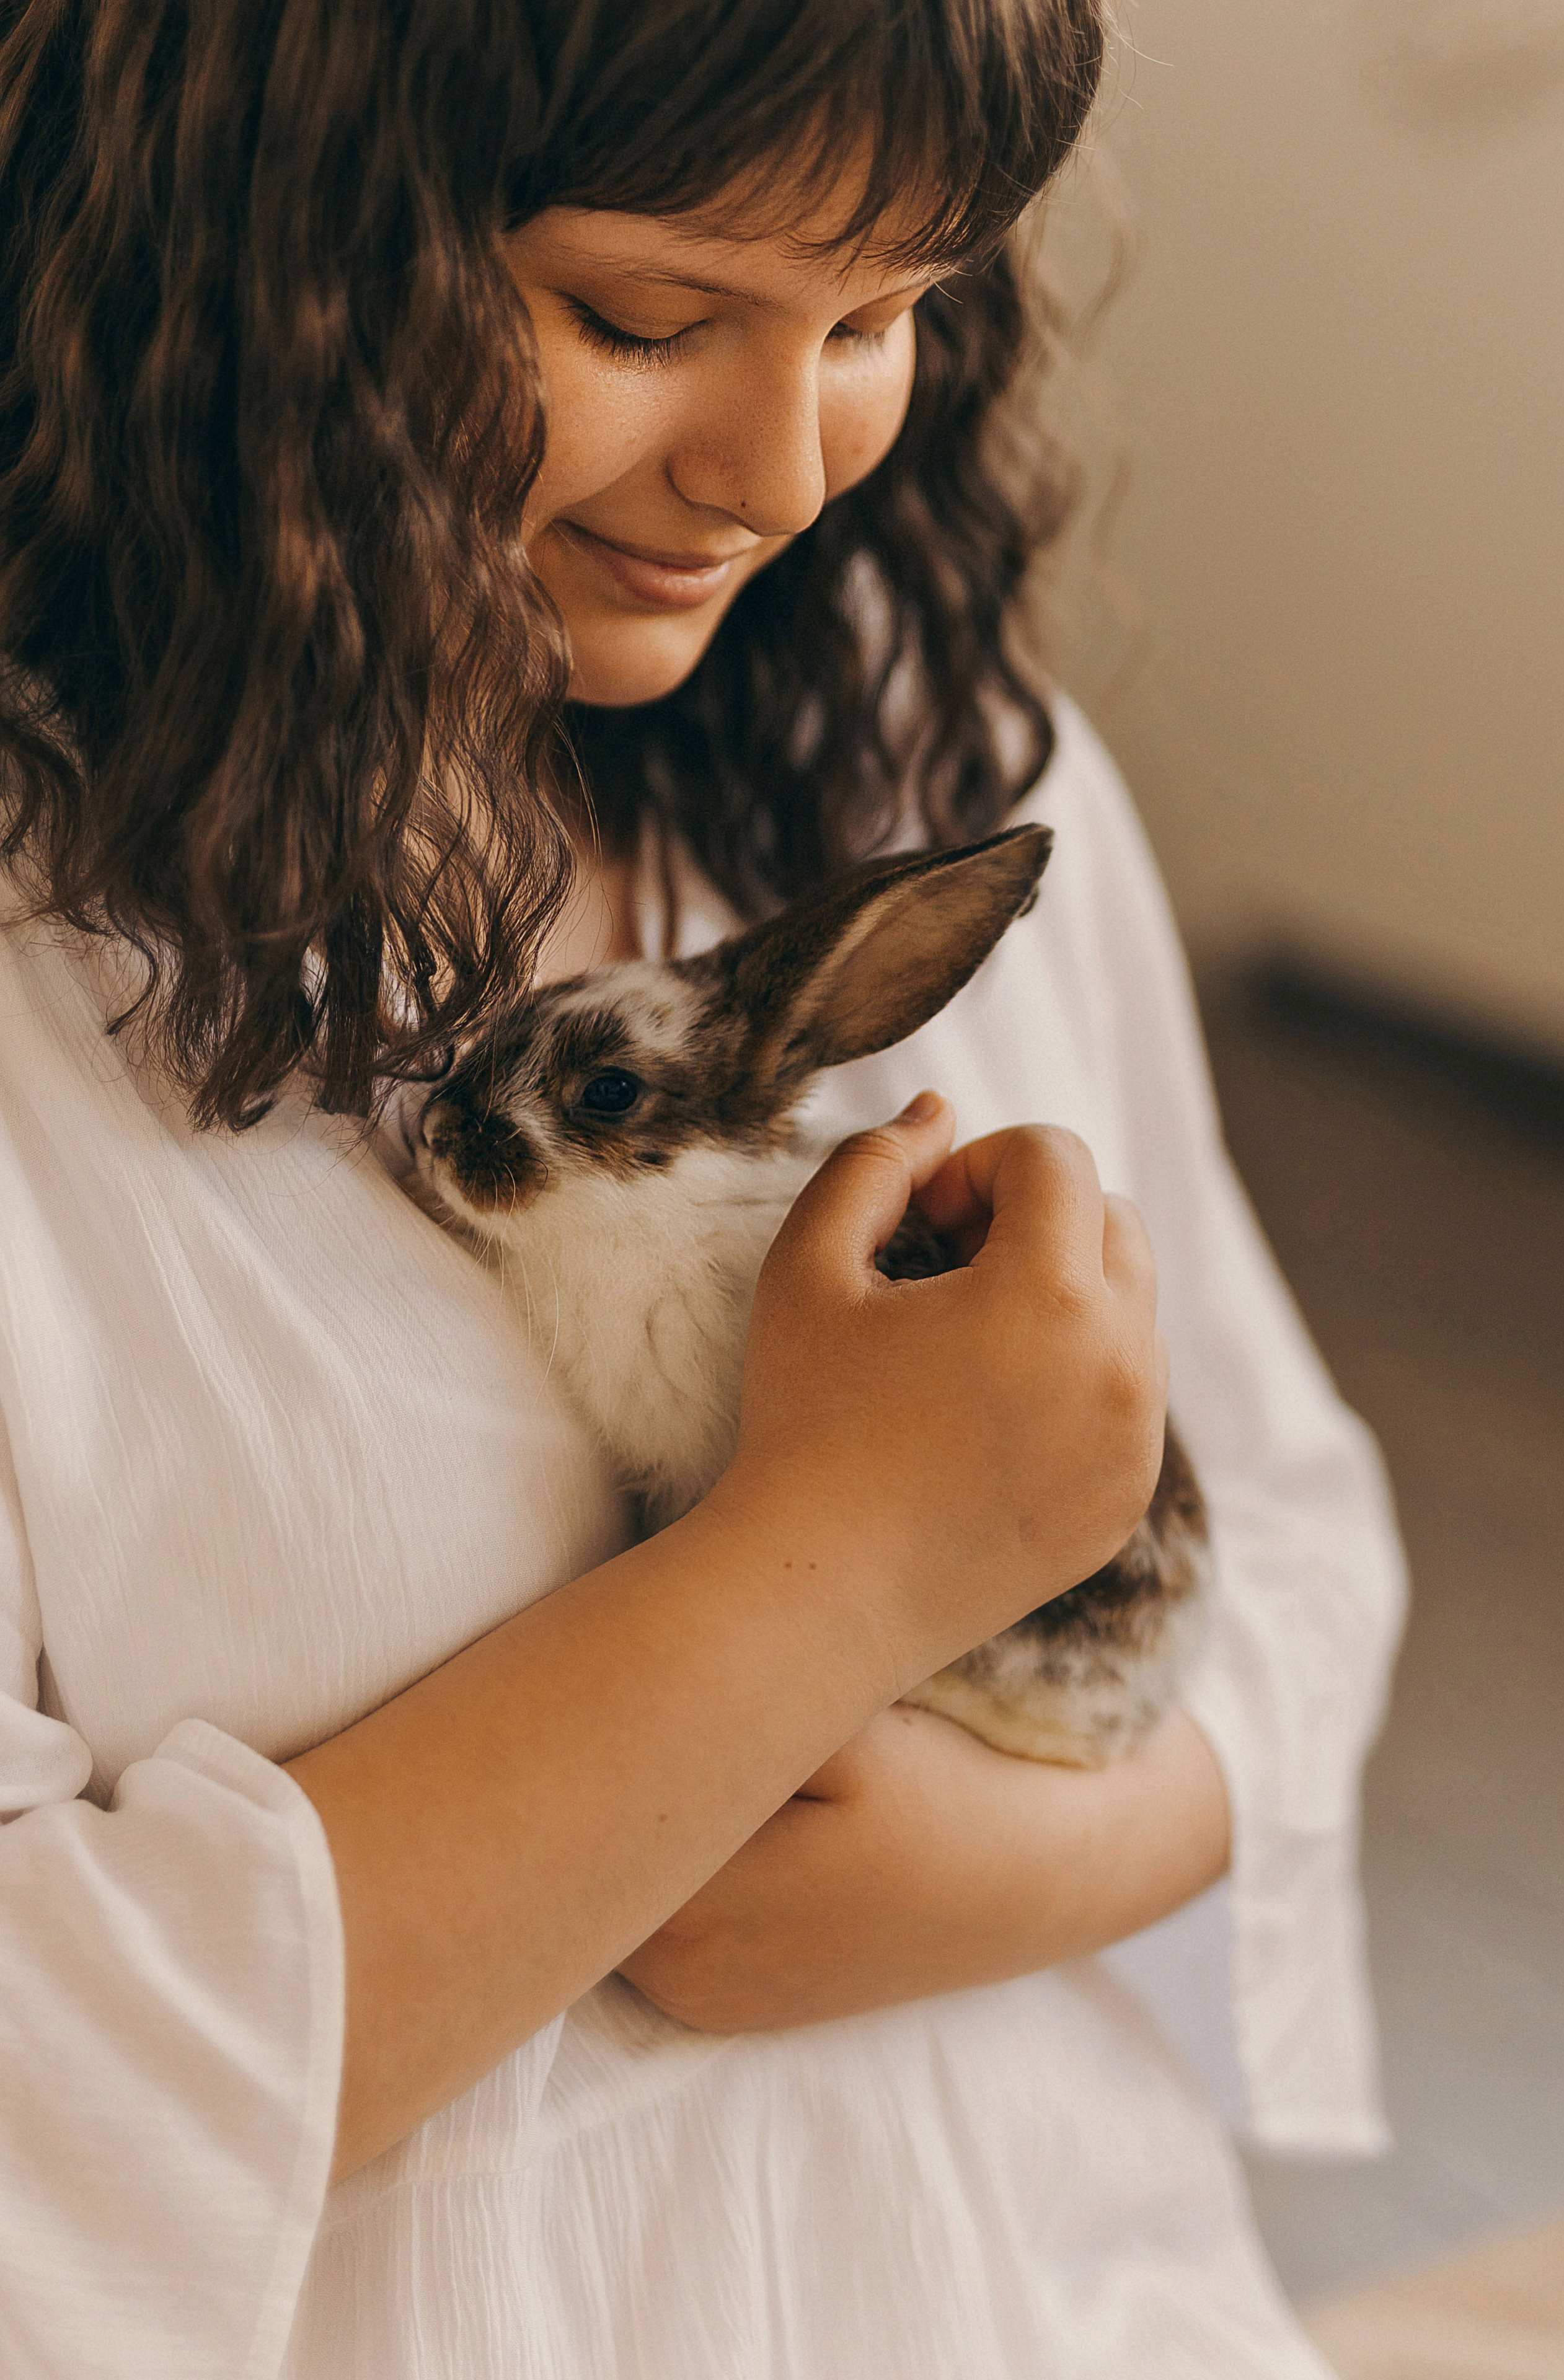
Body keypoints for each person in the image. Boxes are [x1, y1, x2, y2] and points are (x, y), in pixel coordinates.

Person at [0, 3, 1405, 2374]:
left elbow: (1299, 1543)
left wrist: (998, 1867)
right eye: (645, 319)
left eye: (877, 317)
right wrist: (822, 1578)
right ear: (247, 240)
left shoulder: (919, 739)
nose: (783, 472)